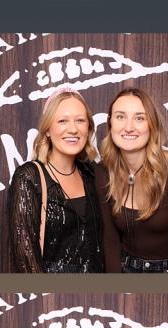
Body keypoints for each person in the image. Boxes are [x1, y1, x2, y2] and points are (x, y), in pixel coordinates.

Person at [95, 87, 168, 273]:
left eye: (139, 118)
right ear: (110, 124)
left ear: (152, 125)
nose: (129, 127)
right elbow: (110, 241)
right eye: (120, 117)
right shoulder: (102, 172)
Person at [8, 87, 104, 273]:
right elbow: (26, 263)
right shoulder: (29, 177)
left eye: (80, 120)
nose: (73, 129)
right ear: (47, 130)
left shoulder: (91, 174)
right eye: (62, 121)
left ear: (88, 128)